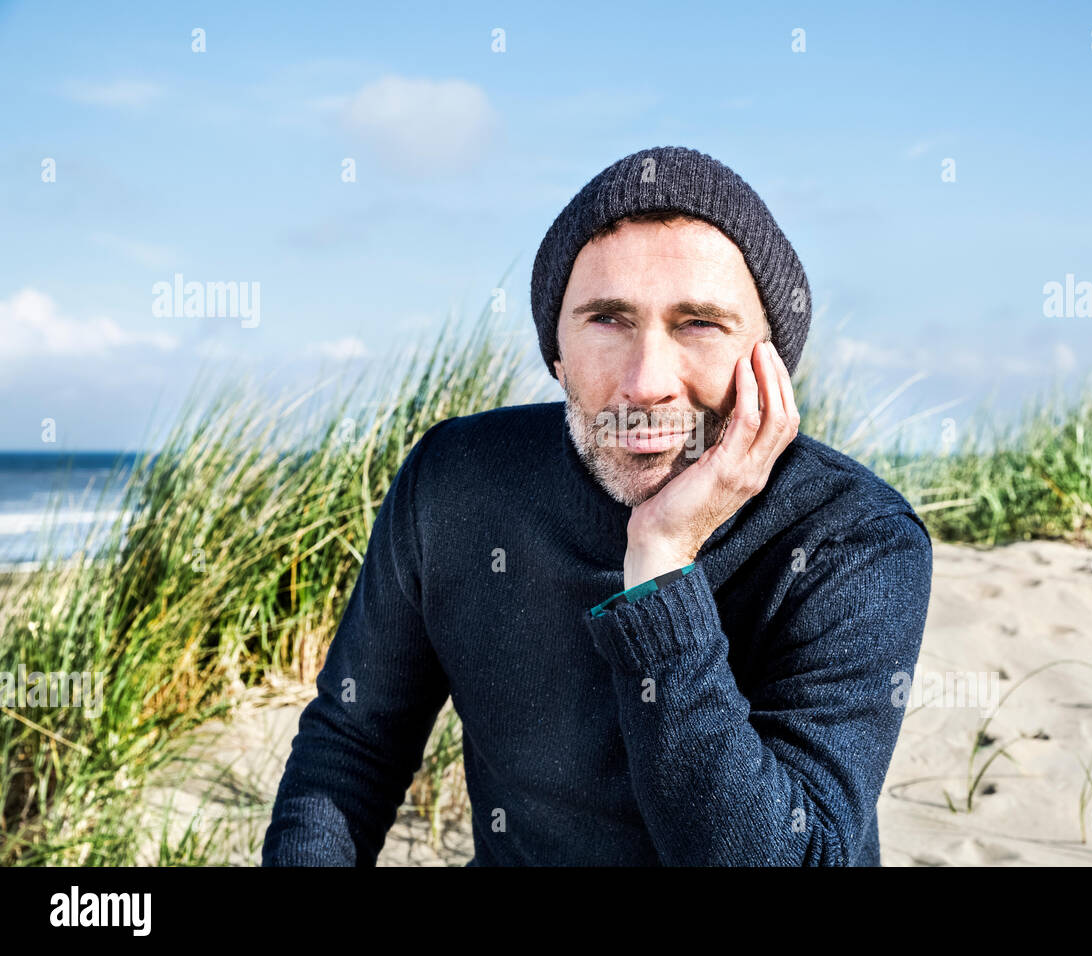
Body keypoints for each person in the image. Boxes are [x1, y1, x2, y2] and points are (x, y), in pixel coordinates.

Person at [262, 145, 932, 866]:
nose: (646, 383)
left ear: (772, 360)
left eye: (699, 323)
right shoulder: (456, 480)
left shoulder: (853, 537)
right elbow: (351, 745)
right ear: (556, 350)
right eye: (608, 320)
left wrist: (662, 565)